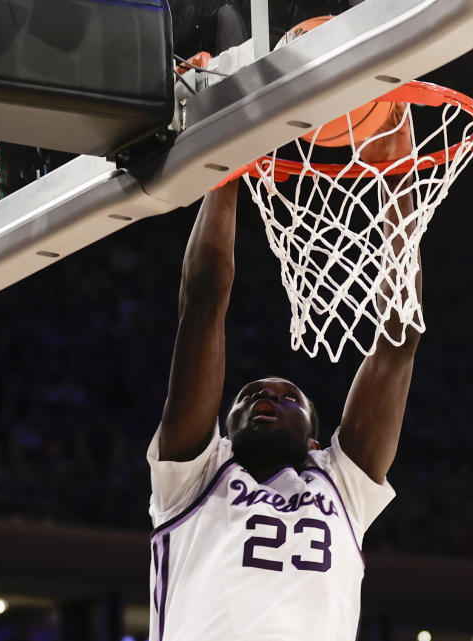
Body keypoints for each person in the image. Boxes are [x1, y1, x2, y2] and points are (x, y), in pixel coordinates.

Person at [147, 105, 420, 641]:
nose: (263, 398)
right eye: (248, 396)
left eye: (288, 398)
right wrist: (223, 170)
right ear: (222, 430)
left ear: (316, 441)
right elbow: (203, 305)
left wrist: (397, 188)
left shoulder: (340, 482)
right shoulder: (191, 478)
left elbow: (398, 341)